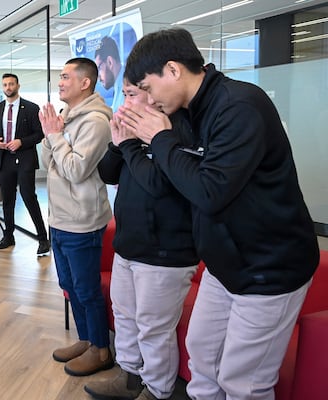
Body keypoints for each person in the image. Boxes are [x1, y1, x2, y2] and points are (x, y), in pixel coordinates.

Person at [122, 27, 319, 400]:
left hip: (268, 267)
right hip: (224, 261)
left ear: (173, 70)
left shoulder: (238, 105)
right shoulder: (189, 111)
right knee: (202, 357)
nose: (146, 99)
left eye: (147, 87)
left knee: (243, 382)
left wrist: (160, 139)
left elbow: (209, 192)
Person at [84, 80, 199, 400]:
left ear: (155, 94)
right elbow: (107, 173)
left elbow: (158, 185)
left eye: (132, 94)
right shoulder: (130, 132)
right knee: (125, 317)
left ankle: (158, 390)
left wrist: (132, 145)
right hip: (129, 244)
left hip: (165, 251)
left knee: (154, 329)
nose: (126, 102)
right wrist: (118, 142)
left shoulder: (177, 132)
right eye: (125, 94)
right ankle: (130, 376)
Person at [39, 57, 114, 377]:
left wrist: (55, 137)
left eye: (66, 77)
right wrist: (49, 134)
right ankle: (86, 340)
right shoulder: (67, 116)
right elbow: (49, 164)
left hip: (82, 221)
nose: (60, 82)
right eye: (60, 76)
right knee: (68, 283)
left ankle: (101, 350)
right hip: (60, 218)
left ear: (85, 83)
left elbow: (75, 170)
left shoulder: (95, 121)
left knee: (86, 289)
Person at [0, 73, 49, 256]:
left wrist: (21, 141)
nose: (8, 87)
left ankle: (43, 238)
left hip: (25, 159)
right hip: (5, 159)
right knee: (7, 199)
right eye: (5, 84)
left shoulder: (30, 108)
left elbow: (39, 134)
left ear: (18, 86)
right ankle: (8, 236)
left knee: (28, 196)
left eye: (11, 84)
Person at [94, 36, 125, 112]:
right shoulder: (118, 86)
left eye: (99, 68)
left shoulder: (127, 87)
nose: (98, 77)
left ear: (109, 62)